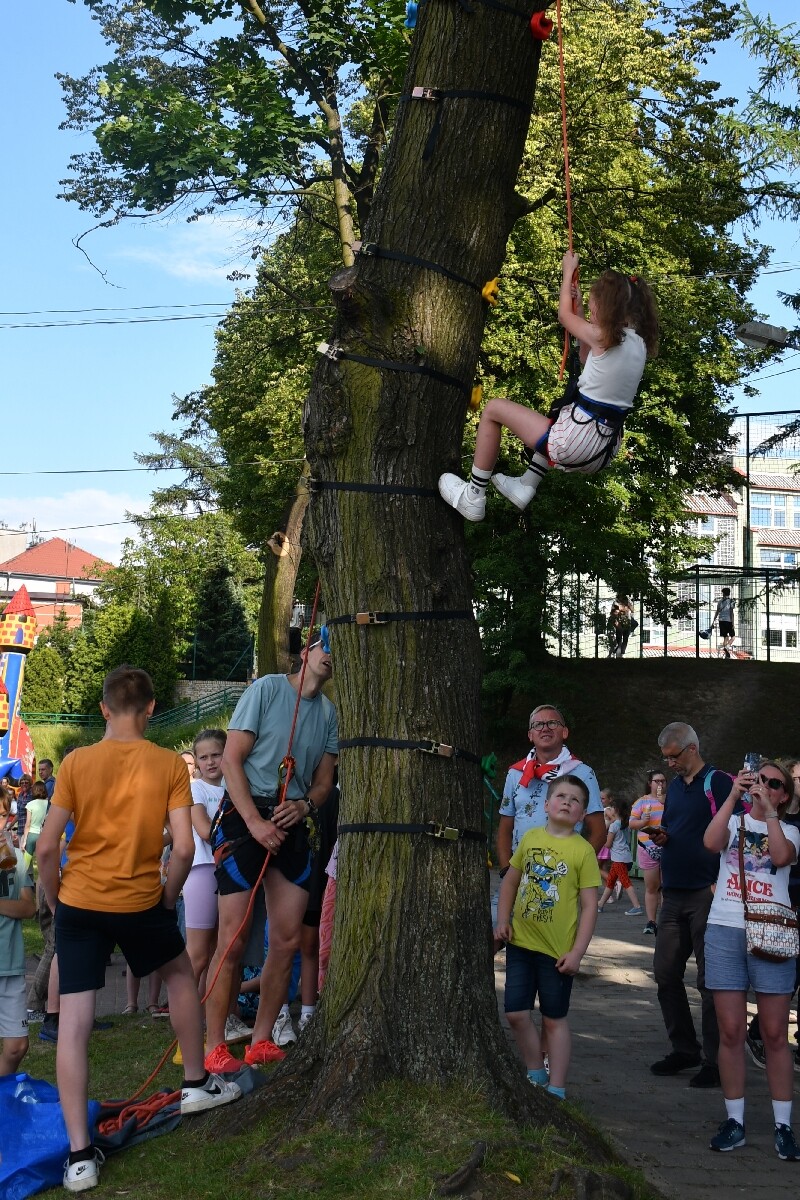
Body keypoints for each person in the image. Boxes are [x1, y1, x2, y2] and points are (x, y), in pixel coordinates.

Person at [36, 666, 241, 1194]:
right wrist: (167, 898)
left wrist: (58, 901)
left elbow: (46, 847)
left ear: (104, 709)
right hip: (140, 900)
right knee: (178, 974)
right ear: (151, 709)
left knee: (75, 1023)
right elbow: (186, 846)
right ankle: (195, 1083)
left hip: (80, 901)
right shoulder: (169, 764)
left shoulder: (77, 762)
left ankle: (80, 1158)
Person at [203, 632, 337, 1074]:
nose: (331, 659)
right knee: (234, 940)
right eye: (326, 649)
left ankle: (261, 1041)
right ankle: (214, 1044)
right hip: (247, 815)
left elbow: (322, 783)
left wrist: (304, 806)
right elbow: (231, 760)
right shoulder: (266, 689)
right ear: (307, 652)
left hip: (291, 820)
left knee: (285, 940)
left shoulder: (330, 714)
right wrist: (256, 824)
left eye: (339, 655)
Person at [438, 253, 659, 520]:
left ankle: (473, 496)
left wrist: (568, 274)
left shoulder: (604, 336)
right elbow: (587, 357)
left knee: (494, 410)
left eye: (592, 307)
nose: (590, 313)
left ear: (607, 308)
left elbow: (564, 317)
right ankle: (526, 485)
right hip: (604, 448)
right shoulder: (639, 345)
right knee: (559, 415)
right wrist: (578, 309)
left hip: (577, 441)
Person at [702, 759, 800, 1159]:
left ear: (786, 796)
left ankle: (783, 1125)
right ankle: (736, 1120)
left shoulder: (790, 828)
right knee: (730, 1031)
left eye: (776, 784)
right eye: (762, 780)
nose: (767, 787)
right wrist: (734, 795)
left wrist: (772, 814)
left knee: (776, 1033)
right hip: (725, 926)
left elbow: (780, 856)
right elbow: (710, 843)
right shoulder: (734, 821)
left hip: (773, 929)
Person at [494, 774, 600, 1100]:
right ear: (546, 804)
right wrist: (502, 921)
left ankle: (557, 1089)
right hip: (521, 943)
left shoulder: (582, 851)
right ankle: (536, 1071)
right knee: (515, 1013)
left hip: (557, 953)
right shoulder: (529, 839)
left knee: (554, 1020)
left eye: (576, 800)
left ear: (582, 814)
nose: (567, 802)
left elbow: (590, 906)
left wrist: (578, 953)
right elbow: (510, 882)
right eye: (562, 796)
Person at [648, 721, 737, 1089]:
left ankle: (716, 1062)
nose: (669, 764)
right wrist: (663, 837)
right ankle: (684, 1048)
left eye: (673, 757)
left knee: (709, 980)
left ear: (691, 749)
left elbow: (741, 826)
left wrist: (723, 879)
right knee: (665, 973)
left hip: (707, 893)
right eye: (665, 758)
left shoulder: (716, 782)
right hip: (674, 892)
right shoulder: (675, 788)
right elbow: (676, 827)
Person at [497, 704, 605, 870]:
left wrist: (576, 869)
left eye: (552, 723)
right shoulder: (515, 774)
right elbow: (505, 827)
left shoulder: (583, 774)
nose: (545, 728)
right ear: (530, 735)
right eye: (538, 725)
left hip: (563, 872)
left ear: (564, 732)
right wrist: (506, 869)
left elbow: (599, 831)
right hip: (520, 872)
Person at [183, 730, 226, 995]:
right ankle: (181, 1012)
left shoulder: (236, 786)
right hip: (203, 869)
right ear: (197, 761)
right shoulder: (195, 788)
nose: (210, 762)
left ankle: (215, 1015)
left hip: (230, 870)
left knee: (220, 953)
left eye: (216, 755)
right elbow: (204, 830)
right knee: (198, 954)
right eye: (204, 757)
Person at [0, 843, 36, 1076]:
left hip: (10, 963)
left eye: (3, 814)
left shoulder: (18, 857)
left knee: (17, 1046)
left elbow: (28, 907)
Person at [629, 770, 666, 934]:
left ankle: (666, 922)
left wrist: (664, 803)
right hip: (648, 848)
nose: (660, 784)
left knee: (667, 887)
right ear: (650, 783)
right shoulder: (641, 802)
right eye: (657, 781)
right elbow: (631, 824)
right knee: (652, 887)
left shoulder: (671, 800)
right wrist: (643, 821)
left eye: (663, 781)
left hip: (668, 847)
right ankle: (651, 922)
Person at [596, 797, 643, 916]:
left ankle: (637, 906)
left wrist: (602, 839)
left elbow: (608, 844)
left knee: (626, 882)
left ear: (615, 810)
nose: (609, 810)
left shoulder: (613, 826)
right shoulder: (625, 824)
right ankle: (600, 904)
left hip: (619, 859)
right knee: (611, 882)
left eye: (611, 808)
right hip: (625, 858)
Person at [606, 594, 634, 659]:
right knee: (619, 640)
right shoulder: (616, 602)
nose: (624, 599)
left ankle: (621, 654)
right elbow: (614, 612)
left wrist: (629, 605)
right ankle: (616, 654)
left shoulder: (628, 602)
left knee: (625, 639)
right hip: (619, 623)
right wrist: (623, 608)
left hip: (627, 623)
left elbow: (632, 610)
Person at [711, 588, 736, 659]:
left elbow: (717, 612)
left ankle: (726, 655)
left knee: (725, 637)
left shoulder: (720, 602)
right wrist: (733, 623)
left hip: (721, 621)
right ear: (729, 593)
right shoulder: (732, 601)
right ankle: (727, 647)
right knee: (733, 637)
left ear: (723, 593)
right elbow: (731, 613)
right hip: (728, 621)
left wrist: (713, 621)